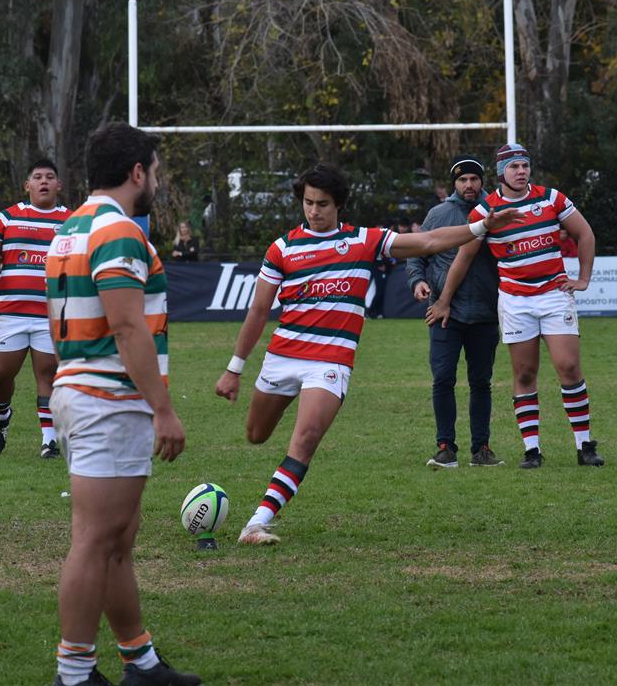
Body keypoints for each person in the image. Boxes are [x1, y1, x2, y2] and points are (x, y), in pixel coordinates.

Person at [214, 164, 520, 545]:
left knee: (305, 438)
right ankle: (260, 513)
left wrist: (481, 227)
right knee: (256, 434)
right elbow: (259, 310)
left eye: (322, 204)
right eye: (308, 203)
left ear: (338, 204)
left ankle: (257, 522)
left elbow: (428, 241)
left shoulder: (362, 241)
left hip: (330, 361)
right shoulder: (283, 248)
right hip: (283, 357)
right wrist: (234, 369)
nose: (313, 211)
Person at [45, 123, 200, 686]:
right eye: (155, 171)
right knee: (95, 541)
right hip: (106, 400)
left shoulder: (69, 229)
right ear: (137, 172)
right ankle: (74, 673)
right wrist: (163, 408)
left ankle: (141, 661)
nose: (156, 180)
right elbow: (128, 326)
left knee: (115, 542)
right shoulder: (118, 231)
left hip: (82, 390)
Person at [430, 142, 605, 470]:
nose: (521, 171)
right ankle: (532, 451)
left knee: (568, 366)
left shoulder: (551, 199)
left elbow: (585, 234)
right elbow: (463, 259)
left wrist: (583, 279)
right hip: (515, 300)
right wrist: (443, 300)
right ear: (500, 173)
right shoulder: (486, 213)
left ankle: (585, 446)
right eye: (513, 166)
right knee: (524, 372)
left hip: (554, 296)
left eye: (525, 165)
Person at [406, 156, 503, 470]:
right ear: (454, 184)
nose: (469, 185)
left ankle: (481, 449)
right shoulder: (439, 214)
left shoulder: (496, 211)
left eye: (474, 179)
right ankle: (445, 448)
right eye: (463, 180)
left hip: (485, 313)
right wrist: (418, 281)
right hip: (443, 312)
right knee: (443, 380)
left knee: (481, 383)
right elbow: (417, 252)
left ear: (482, 181)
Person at [0, 158, 71, 459]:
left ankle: (49, 441)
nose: (44, 181)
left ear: (58, 185)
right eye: (37, 177)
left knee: (48, 374)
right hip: (11, 314)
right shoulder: (6, 218)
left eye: (50, 177)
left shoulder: (73, 222)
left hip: (50, 314)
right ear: (27, 184)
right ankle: (1, 417)